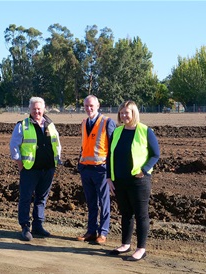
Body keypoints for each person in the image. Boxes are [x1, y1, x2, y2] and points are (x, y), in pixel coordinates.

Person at [107, 100, 160, 261]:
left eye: (126, 113)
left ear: (134, 113)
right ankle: (125, 244)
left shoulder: (145, 131)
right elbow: (110, 156)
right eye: (121, 113)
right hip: (120, 180)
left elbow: (155, 154)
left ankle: (141, 248)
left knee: (141, 215)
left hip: (139, 181)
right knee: (125, 214)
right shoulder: (117, 131)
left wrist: (144, 170)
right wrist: (109, 177)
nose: (123, 115)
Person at [9, 96, 62, 241]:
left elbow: (57, 144)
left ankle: (38, 225)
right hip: (30, 169)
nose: (37, 111)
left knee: (41, 198)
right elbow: (14, 146)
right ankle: (25, 227)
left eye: (39, 109)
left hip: (48, 168)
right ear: (30, 110)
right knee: (26, 198)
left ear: (44, 109)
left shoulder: (50, 124)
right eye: (34, 109)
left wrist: (55, 163)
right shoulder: (23, 125)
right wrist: (20, 165)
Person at [76, 95, 116, 244]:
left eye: (91, 105)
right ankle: (91, 231)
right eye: (86, 106)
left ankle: (103, 232)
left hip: (101, 169)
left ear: (98, 105)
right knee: (91, 202)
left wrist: (111, 172)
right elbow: (84, 144)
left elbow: (112, 149)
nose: (89, 108)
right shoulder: (84, 122)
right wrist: (80, 165)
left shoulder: (107, 122)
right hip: (86, 169)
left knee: (104, 202)